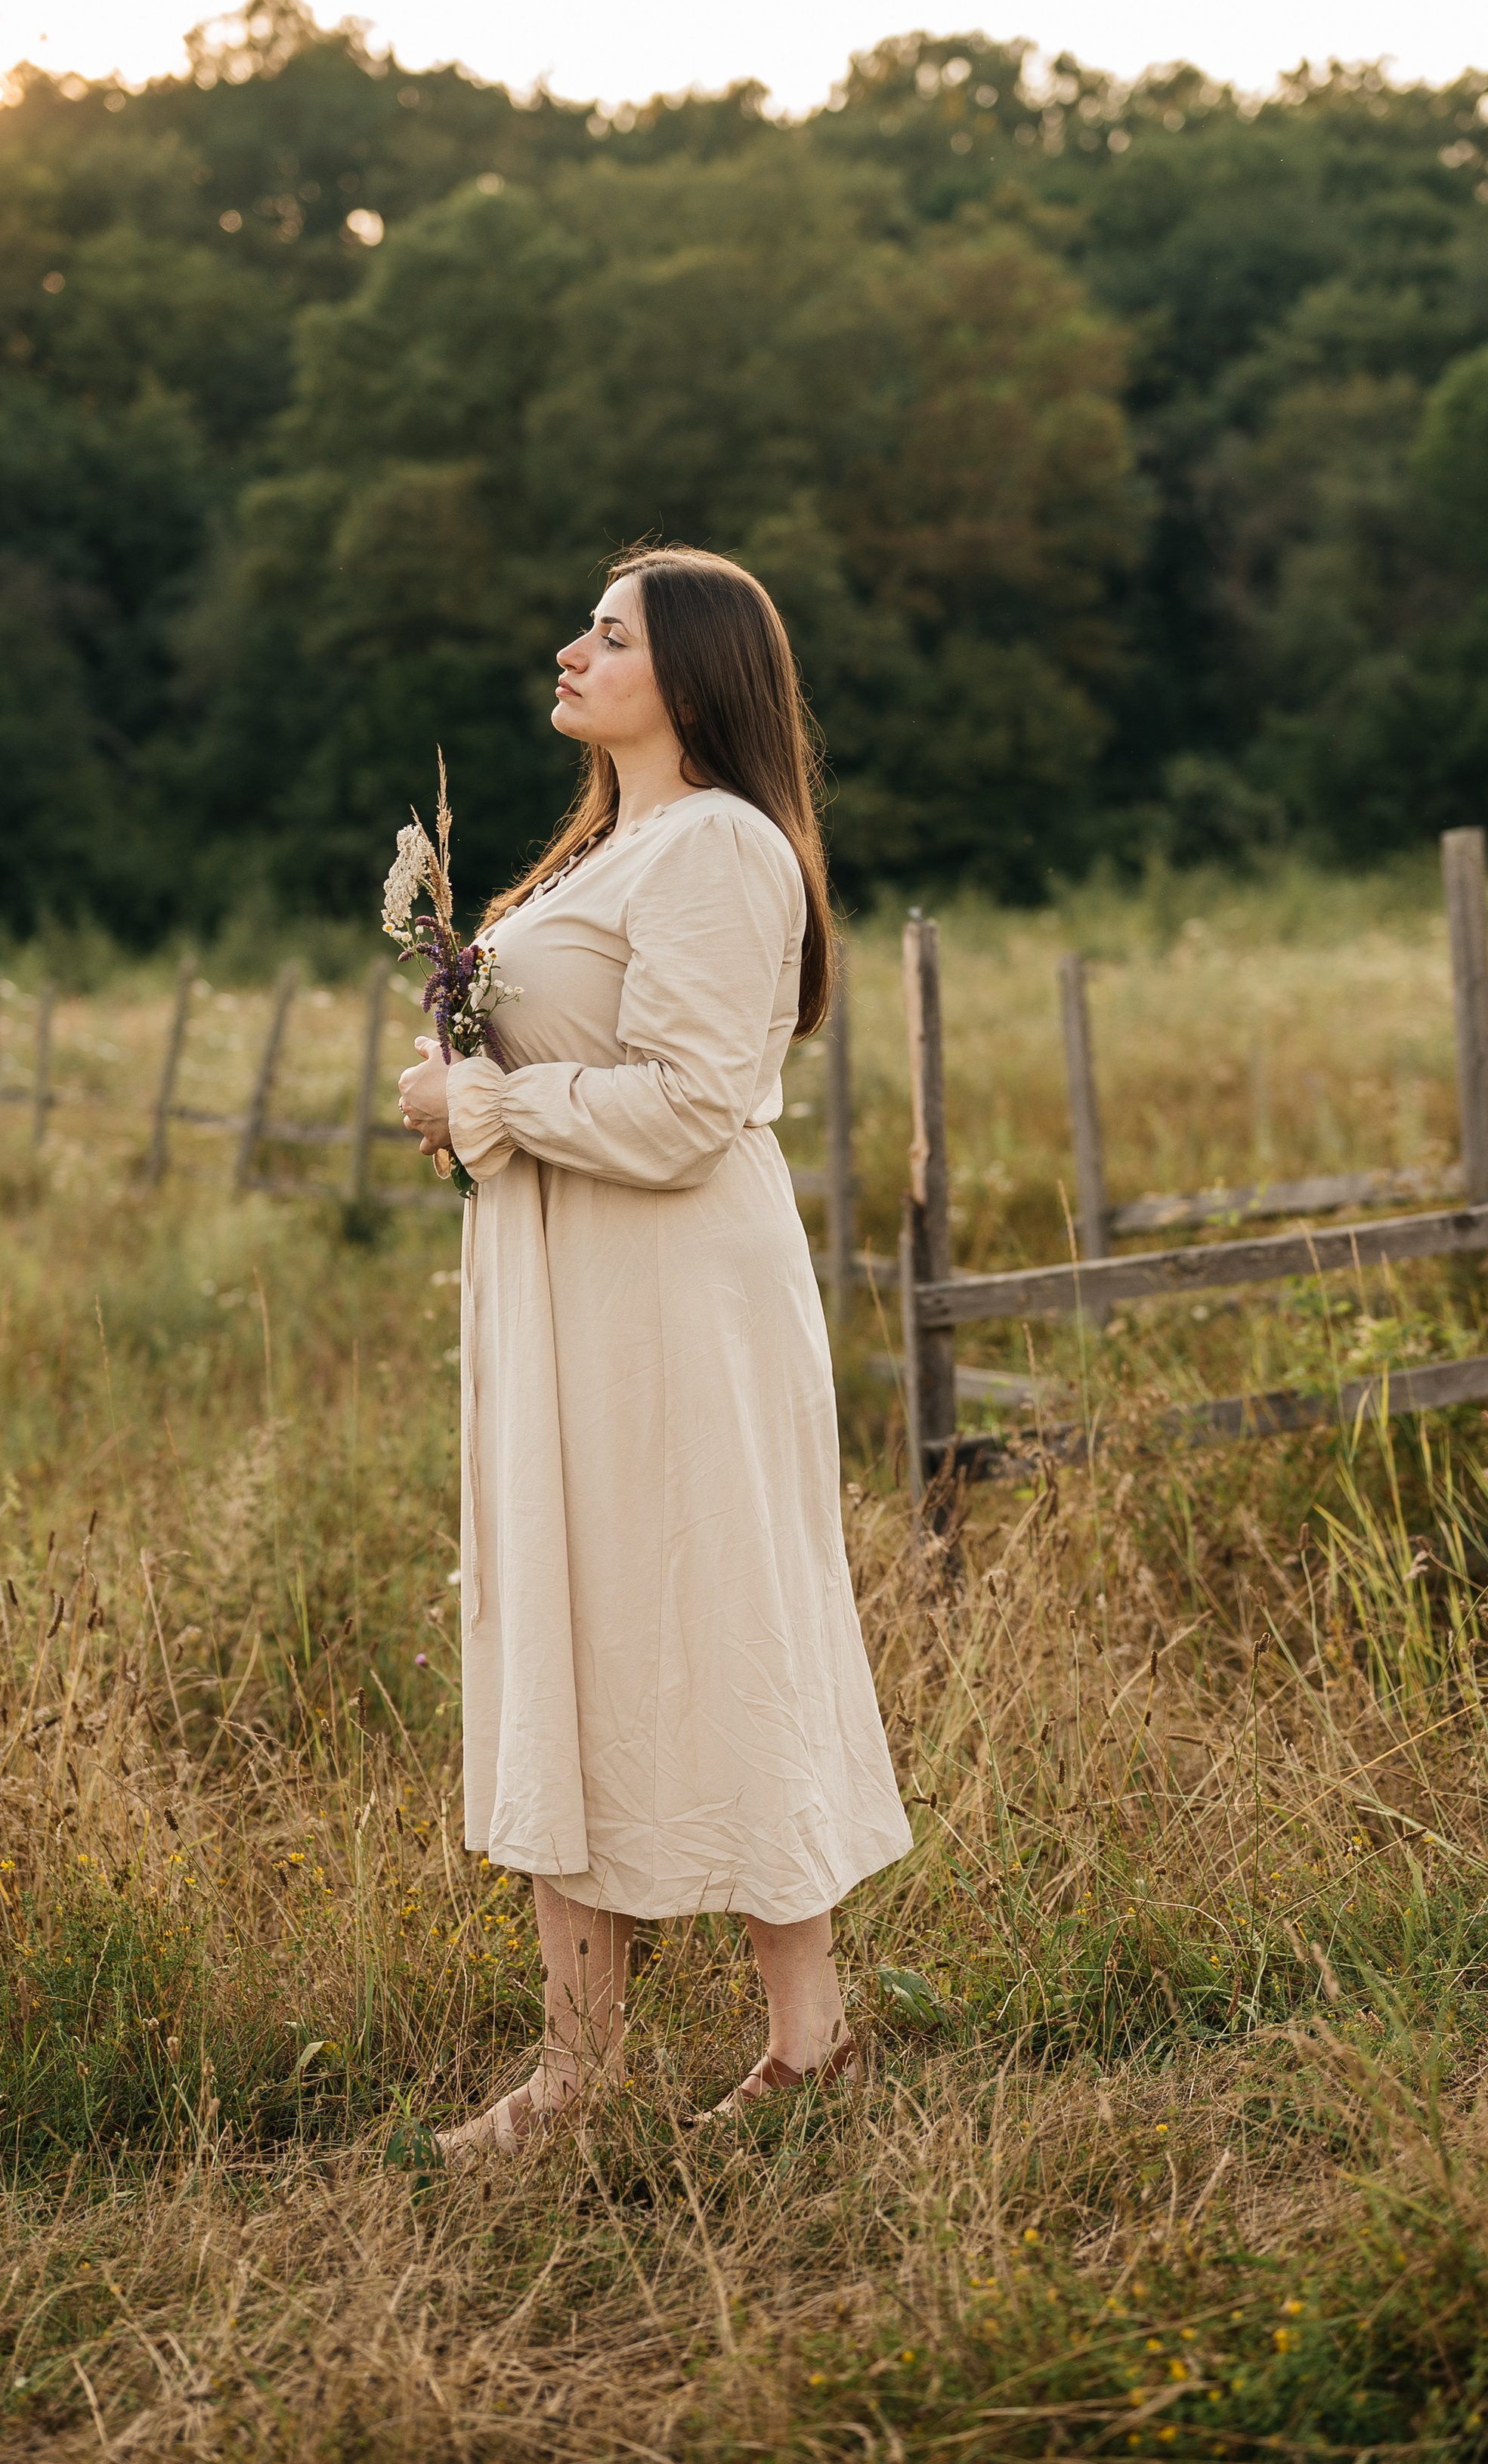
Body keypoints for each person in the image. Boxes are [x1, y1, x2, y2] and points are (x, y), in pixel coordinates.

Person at [396, 543, 911, 2159]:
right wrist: (468, 1087)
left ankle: (804, 2041)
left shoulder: (718, 848)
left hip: (674, 1297)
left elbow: (692, 1104)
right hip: (568, 1284)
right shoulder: (596, 853)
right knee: (572, 1621)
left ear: (686, 674)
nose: (568, 649)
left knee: (712, 1611)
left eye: (604, 634)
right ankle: (576, 2065)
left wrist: (484, 1102)